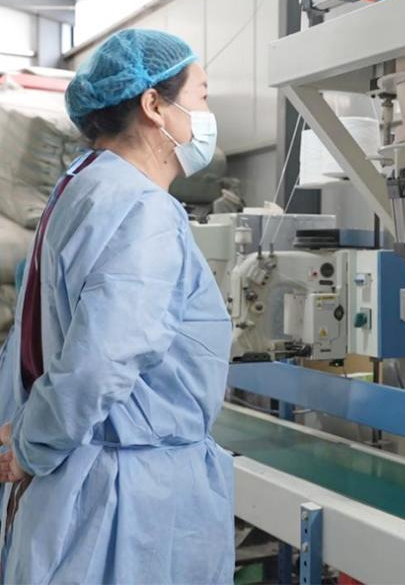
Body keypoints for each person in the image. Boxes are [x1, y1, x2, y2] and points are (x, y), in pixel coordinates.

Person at [0, 29, 234, 583]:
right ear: (154, 105)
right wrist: (31, 445)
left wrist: (29, 432)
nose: (206, 116)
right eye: (201, 96)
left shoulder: (81, 187)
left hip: (81, 480)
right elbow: (101, 362)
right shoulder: (142, 208)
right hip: (126, 502)